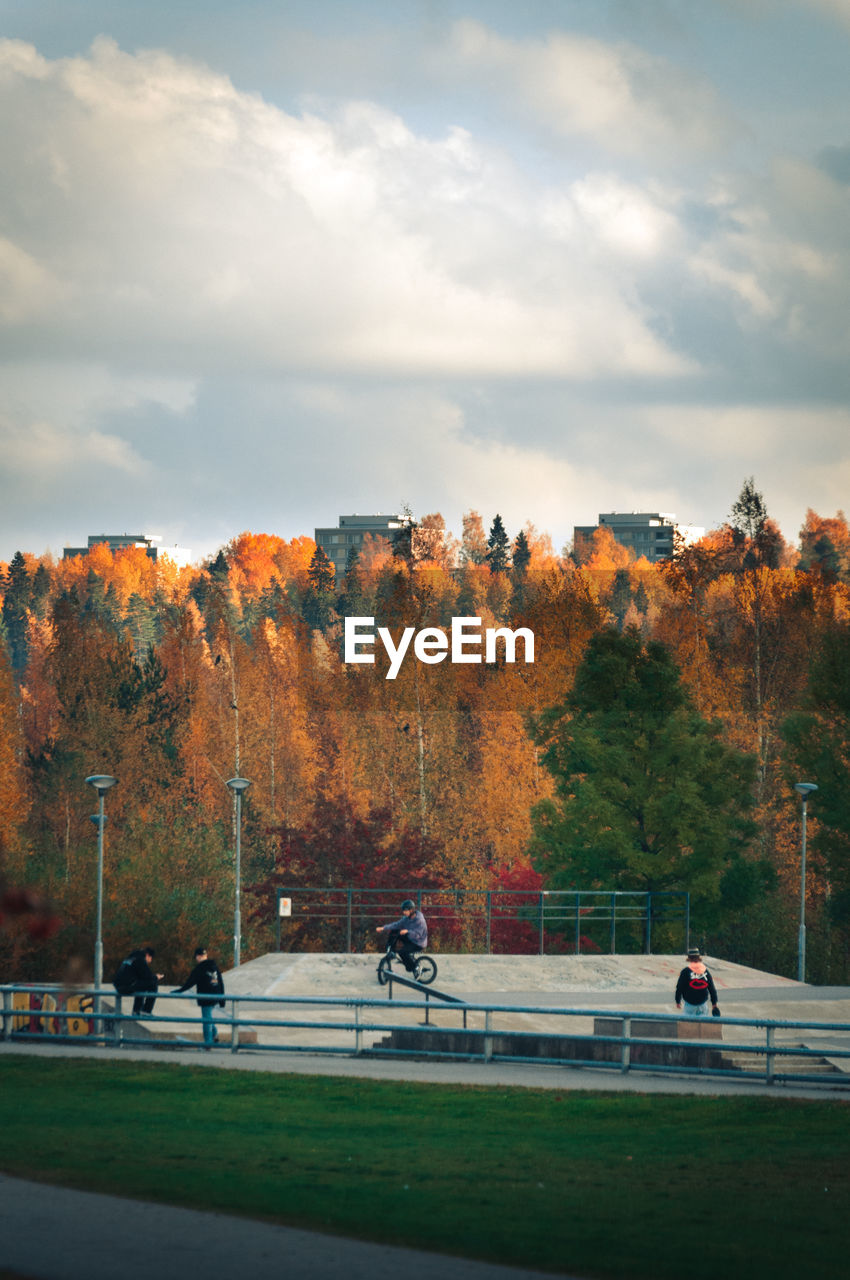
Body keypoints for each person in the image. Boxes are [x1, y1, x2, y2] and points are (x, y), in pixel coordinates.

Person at [173, 947, 225, 1048]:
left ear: (199, 956)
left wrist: (179, 990)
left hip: (205, 997)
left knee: (206, 1020)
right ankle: (214, 1034)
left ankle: (208, 1043)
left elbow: (190, 982)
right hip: (215, 995)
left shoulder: (200, 968)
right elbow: (221, 982)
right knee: (208, 1017)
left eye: (196, 957)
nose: (196, 959)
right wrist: (222, 998)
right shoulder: (214, 966)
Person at [376, 899, 428, 973]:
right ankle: (391, 951)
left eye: (406, 910)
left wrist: (407, 931)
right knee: (395, 931)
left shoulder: (419, 921)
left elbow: (418, 935)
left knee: (402, 952)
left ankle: (414, 968)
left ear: (411, 910)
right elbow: (396, 925)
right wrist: (383, 928)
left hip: (418, 943)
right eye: (403, 910)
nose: (404, 912)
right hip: (410, 938)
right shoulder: (406, 919)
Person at [112, 946, 163, 1017]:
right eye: (151, 958)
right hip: (126, 986)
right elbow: (148, 976)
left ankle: (136, 1010)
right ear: (148, 955)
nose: (150, 961)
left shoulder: (131, 957)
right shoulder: (140, 960)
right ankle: (146, 1011)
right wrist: (156, 977)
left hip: (118, 985)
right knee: (153, 984)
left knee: (141, 984)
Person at [675, 947, 720, 1017]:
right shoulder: (705, 970)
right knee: (702, 1025)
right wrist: (714, 1003)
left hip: (690, 1004)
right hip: (702, 1004)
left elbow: (679, 987)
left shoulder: (686, 971)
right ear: (699, 957)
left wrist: (678, 1001)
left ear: (689, 958)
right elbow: (712, 988)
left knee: (689, 1025)